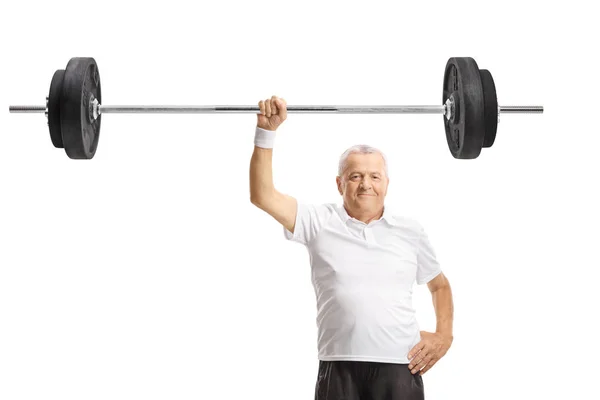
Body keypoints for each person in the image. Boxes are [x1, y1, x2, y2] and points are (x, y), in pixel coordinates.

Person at [249, 95, 454, 400]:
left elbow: (439, 286)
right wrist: (266, 132)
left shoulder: (410, 231)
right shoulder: (317, 220)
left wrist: (443, 336)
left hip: (400, 366)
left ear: (386, 183)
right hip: (338, 366)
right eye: (355, 176)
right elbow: (262, 195)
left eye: (374, 176)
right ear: (339, 183)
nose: (365, 184)